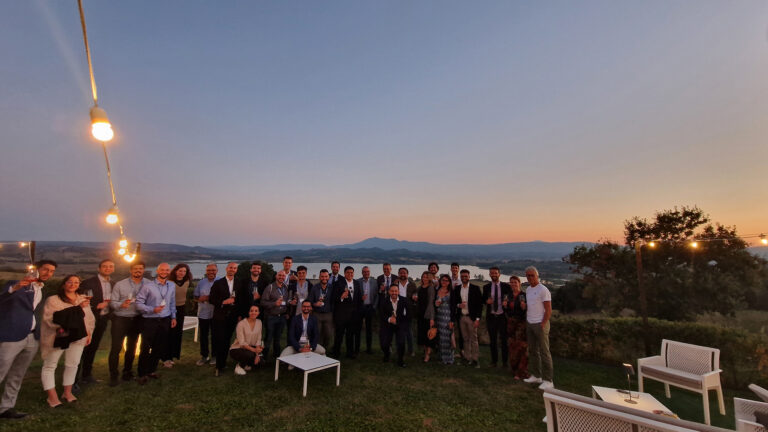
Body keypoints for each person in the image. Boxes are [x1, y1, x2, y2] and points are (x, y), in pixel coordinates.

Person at [0, 259, 57, 419]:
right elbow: (2, 299)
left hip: (32, 337)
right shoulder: (15, 284)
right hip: (12, 336)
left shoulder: (41, 290)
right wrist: (15, 288)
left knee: (18, 375)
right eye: (45, 269)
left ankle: (6, 408)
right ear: (36, 270)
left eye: (52, 271)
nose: (48, 273)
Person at [40, 275, 95, 407]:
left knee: (73, 364)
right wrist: (78, 308)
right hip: (58, 336)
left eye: (76, 282)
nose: (73, 284)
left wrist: (89, 333)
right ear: (64, 284)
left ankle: (67, 393)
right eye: (69, 282)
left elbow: (88, 319)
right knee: (50, 365)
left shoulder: (82, 298)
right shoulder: (53, 299)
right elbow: (50, 319)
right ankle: (52, 397)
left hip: (78, 336)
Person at [135, 263, 177, 385]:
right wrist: (152, 309)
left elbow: (172, 302)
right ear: (157, 271)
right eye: (162, 270)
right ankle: (142, 373)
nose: (164, 272)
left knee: (158, 347)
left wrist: (173, 316)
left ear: (169, 272)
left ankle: (151, 370)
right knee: (145, 347)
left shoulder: (171, 285)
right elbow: (138, 304)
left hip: (165, 319)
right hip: (150, 320)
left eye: (167, 270)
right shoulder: (148, 286)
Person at [108, 261, 149, 386]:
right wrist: (121, 304)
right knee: (116, 348)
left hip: (137, 319)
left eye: (140, 269)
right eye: (135, 269)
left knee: (132, 347)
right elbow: (112, 302)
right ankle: (114, 376)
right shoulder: (120, 284)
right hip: (121, 319)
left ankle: (127, 372)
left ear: (143, 270)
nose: (138, 271)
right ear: (131, 271)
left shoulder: (148, 284)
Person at [77, 259, 114, 385]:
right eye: (105, 266)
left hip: (103, 319)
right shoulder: (88, 282)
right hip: (89, 320)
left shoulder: (113, 283)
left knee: (93, 347)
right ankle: (74, 379)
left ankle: (87, 375)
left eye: (110, 267)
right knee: (81, 348)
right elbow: (79, 299)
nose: (107, 268)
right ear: (99, 268)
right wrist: (95, 306)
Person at [522, 266, 553, 389]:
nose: (530, 278)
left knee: (545, 352)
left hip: (540, 324)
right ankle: (536, 375)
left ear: (537, 276)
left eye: (532, 275)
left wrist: (543, 323)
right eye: (528, 275)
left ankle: (549, 380)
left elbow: (548, 309)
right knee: (533, 351)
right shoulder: (529, 289)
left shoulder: (543, 290)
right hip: (530, 323)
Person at [209, 262, 239, 376]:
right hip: (220, 317)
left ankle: (223, 362)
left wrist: (239, 315)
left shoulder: (239, 283)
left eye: (235, 268)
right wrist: (223, 302)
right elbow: (211, 299)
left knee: (227, 340)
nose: (232, 269)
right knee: (220, 340)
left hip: (232, 317)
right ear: (227, 269)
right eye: (230, 267)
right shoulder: (218, 283)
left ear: (236, 270)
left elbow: (241, 300)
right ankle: (219, 365)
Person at [163, 263, 192, 368]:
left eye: (184, 271)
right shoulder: (169, 282)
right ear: (175, 271)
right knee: (168, 333)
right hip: (170, 309)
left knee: (177, 334)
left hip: (181, 309)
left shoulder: (187, 282)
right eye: (180, 271)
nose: (182, 273)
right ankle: (165, 358)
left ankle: (172, 356)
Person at [483, 266, 511, 368]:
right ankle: (494, 361)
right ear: (490, 274)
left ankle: (504, 362)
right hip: (491, 317)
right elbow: (483, 300)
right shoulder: (486, 287)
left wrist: (506, 303)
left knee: (504, 340)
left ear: (499, 274)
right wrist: (486, 301)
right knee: (493, 340)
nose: (493, 275)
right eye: (492, 273)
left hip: (502, 316)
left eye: (495, 273)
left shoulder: (506, 287)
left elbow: (511, 299)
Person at [453, 269, 482, 367]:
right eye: (462, 276)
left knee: (474, 339)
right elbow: (454, 302)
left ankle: (475, 360)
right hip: (462, 317)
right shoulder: (457, 289)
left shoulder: (475, 288)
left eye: (466, 276)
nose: (464, 278)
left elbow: (479, 305)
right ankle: (467, 358)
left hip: (471, 318)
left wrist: (477, 319)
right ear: (460, 277)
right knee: (465, 339)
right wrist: (458, 305)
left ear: (469, 277)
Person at [331, 266, 362, 359]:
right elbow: (333, 298)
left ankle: (350, 353)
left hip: (353, 315)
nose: (350, 274)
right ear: (344, 274)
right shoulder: (338, 283)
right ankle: (336, 352)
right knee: (339, 334)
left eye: (351, 272)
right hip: (341, 314)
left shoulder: (356, 283)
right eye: (348, 272)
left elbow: (359, 299)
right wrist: (341, 297)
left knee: (350, 335)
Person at [504, 275, 529, 380]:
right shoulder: (508, 296)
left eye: (515, 282)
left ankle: (521, 371)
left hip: (521, 324)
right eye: (511, 282)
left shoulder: (524, 295)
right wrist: (504, 306)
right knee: (512, 347)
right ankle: (514, 370)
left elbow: (529, 311)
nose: (513, 284)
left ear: (520, 283)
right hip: (510, 324)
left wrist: (525, 307)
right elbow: (507, 311)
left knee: (522, 348)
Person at [262, 270, 290, 360]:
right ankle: (263, 357)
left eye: (283, 276)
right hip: (271, 317)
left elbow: (286, 302)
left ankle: (276, 357)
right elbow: (263, 302)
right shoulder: (270, 287)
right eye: (280, 275)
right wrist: (274, 304)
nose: (281, 277)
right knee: (269, 338)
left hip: (281, 317)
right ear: (276, 276)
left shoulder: (285, 287)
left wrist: (287, 312)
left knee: (278, 338)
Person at [193, 263, 218, 366]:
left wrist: (209, 298)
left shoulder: (221, 282)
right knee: (203, 336)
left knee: (215, 336)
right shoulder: (201, 282)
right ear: (206, 271)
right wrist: (199, 299)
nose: (211, 272)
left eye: (213, 270)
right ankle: (204, 356)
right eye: (209, 270)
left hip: (216, 314)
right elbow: (195, 297)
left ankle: (215, 356)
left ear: (217, 271)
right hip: (203, 313)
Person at [379, 285, 408, 367]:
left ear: (398, 292)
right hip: (388, 325)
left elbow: (409, 314)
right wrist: (389, 319)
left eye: (396, 291)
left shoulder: (404, 300)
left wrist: (399, 322)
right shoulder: (384, 301)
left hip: (400, 325)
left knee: (401, 343)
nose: (394, 293)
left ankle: (400, 360)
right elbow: (381, 314)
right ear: (389, 292)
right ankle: (387, 355)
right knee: (384, 344)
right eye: (392, 291)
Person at [229, 305, 263, 376]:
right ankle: (239, 366)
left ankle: (247, 363)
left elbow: (259, 339)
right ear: (248, 312)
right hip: (238, 348)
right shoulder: (241, 324)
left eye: (256, 311)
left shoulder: (259, 322)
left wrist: (257, 354)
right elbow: (242, 343)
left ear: (259, 313)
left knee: (260, 363)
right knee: (249, 355)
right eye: (251, 311)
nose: (253, 313)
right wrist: (254, 351)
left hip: (251, 348)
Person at [429, 275, 455, 365]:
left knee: (447, 338)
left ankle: (448, 359)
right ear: (440, 281)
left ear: (449, 282)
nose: (444, 282)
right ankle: (441, 357)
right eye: (443, 280)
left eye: (447, 280)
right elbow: (434, 305)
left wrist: (452, 320)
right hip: (438, 317)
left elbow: (453, 307)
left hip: (447, 317)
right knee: (439, 338)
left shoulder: (452, 292)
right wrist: (436, 304)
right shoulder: (437, 291)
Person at [307, 269, 334, 349]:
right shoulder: (315, 287)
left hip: (328, 314)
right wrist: (315, 304)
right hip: (317, 314)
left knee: (328, 334)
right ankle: (317, 350)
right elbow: (310, 301)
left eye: (326, 276)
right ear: (319, 277)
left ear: (328, 277)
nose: (324, 278)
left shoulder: (332, 287)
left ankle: (324, 349)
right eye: (322, 276)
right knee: (317, 334)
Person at [356, 266, 378, 354]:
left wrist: (374, 307)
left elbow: (377, 296)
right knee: (358, 329)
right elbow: (355, 296)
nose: (366, 273)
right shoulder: (357, 282)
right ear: (362, 273)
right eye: (364, 272)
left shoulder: (374, 282)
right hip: (360, 308)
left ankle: (369, 349)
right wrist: (360, 298)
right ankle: (357, 349)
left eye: (368, 271)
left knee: (369, 330)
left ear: (370, 272)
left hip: (370, 307)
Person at [397, 267, 418, 356]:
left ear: (407, 274)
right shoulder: (395, 284)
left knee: (409, 332)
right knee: (398, 332)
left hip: (409, 311)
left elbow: (415, 295)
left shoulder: (412, 285)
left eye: (404, 273)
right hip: (397, 312)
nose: (402, 274)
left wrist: (415, 297)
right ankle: (400, 350)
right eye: (401, 273)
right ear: (398, 274)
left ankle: (411, 350)